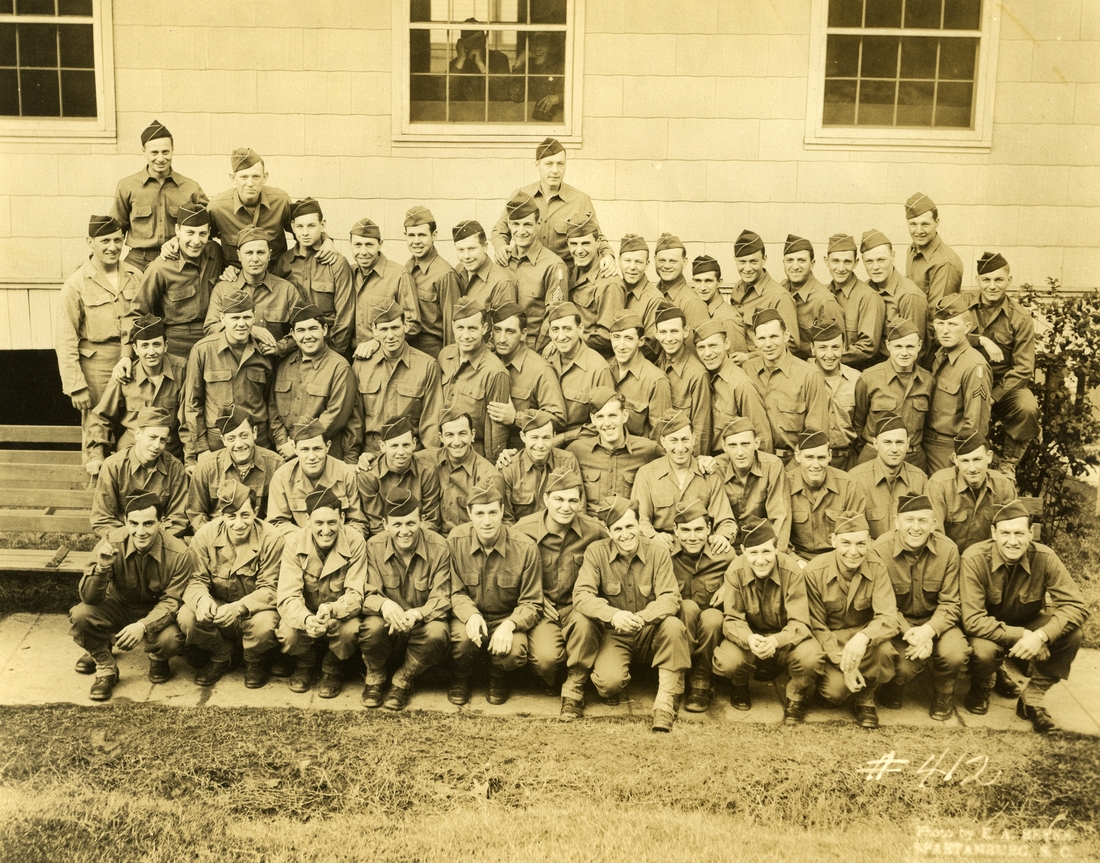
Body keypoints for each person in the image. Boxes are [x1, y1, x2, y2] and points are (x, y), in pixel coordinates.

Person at [960, 500, 1089, 732]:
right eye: (1005, 533)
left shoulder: (1045, 557)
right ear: (993, 533)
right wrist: (1023, 635)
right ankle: (981, 684)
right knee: (984, 652)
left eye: (1019, 533)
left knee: (1072, 635)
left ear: (1031, 533)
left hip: (1027, 622)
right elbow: (972, 620)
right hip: (987, 631)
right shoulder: (974, 559)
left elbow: (1076, 606)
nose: (1012, 541)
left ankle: (1033, 699)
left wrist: (1041, 636)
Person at [573, 496, 691, 732]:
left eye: (630, 526)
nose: (625, 534)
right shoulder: (595, 552)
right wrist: (614, 615)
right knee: (608, 684)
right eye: (617, 529)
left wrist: (644, 618)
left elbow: (670, 597)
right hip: (615, 634)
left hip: (650, 631)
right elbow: (581, 595)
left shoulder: (657, 551)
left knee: (674, 626)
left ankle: (665, 704)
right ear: (608, 531)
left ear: (639, 525)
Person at [70, 489, 188, 701]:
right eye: (133, 524)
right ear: (125, 521)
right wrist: (102, 568)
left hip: (155, 612)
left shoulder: (179, 552)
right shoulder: (112, 542)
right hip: (119, 606)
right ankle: (105, 667)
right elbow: (88, 598)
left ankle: (157, 657)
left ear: (161, 522)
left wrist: (143, 627)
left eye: (148, 523)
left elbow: (173, 602)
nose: (140, 531)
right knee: (81, 615)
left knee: (171, 638)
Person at [514, 467, 607, 719]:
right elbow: (511, 573)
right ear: (546, 499)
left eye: (573, 500)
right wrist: (536, 597)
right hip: (542, 610)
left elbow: (616, 552)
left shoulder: (594, 530)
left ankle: (574, 690)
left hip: (577, 607)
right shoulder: (523, 529)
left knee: (586, 623)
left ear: (580, 502)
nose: (566, 507)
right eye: (559, 499)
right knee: (546, 660)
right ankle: (554, 678)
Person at [712, 519, 824, 724]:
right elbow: (732, 620)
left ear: (777, 548)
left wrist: (776, 641)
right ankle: (739, 684)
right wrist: (749, 639)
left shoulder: (792, 571)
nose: (760, 560)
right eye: (753, 553)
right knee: (727, 661)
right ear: (744, 551)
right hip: (751, 637)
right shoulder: (734, 571)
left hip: (783, 638)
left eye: (766, 552)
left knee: (812, 657)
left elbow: (800, 623)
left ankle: (795, 695)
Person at [56, 215, 144, 466]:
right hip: (96, 365)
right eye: (105, 240)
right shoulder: (76, 283)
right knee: (97, 433)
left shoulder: (135, 275)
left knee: (133, 426)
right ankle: (95, 495)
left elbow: (143, 319)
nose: (113, 247)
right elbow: (65, 337)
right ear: (90, 242)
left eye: (118, 240)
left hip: (132, 360)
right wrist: (76, 386)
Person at [870, 493, 968, 720]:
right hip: (899, 625)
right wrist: (912, 634)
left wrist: (928, 631)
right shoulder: (880, 550)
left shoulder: (948, 550)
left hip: (937, 622)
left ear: (933, 524)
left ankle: (944, 692)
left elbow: (951, 603)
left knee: (955, 652)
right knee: (904, 666)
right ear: (896, 522)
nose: (916, 527)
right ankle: (897, 683)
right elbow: (884, 605)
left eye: (923, 520)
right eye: (909, 520)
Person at [447, 479, 543, 706]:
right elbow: (454, 590)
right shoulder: (455, 541)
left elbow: (531, 602)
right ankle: (461, 677)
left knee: (515, 651)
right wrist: (470, 615)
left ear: (502, 511)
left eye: (492, 512)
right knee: (460, 640)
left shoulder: (526, 547)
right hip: (469, 615)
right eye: (480, 513)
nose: (487, 521)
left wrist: (510, 625)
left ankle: (497, 676)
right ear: (469, 513)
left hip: (506, 617)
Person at [179, 480, 283, 688]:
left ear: (255, 511)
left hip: (254, 610)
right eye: (231, 516)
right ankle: (221, 654)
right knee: (186, 617)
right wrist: (201, 601)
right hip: (218, 606)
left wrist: (240, 607)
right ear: (221, 515)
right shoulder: (205, 535)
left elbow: (272, 588)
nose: (238, 523)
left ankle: (254, 660)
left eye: (245, 515)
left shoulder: (272, 538)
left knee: (266, 625)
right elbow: (195, 579)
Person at [803, 511, 901, 728]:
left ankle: (866, 698)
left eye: (860, 544)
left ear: (869, 543)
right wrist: (843, 662)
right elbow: (816, 626)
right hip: (831, 644)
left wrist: (863, 637)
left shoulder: (877, 568)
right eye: (846, 543)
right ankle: (832, 687)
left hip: (864, 645)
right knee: (834, 693)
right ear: (833, 540)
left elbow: (888, 617)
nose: (853, 551)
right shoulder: (814, 571)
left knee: (885, 650)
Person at [358, 488, 451, 710]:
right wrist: (384, 604)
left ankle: (403, 679)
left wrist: (418, 613)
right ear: (385, 524)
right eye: (397, 525)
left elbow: (443, 597)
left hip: (420, 625)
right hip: (387, 626)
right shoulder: (373, 546)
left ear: (422, 520)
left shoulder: (439, 546)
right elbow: (365, 593)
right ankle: (375, 675)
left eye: (410, 523)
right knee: (370, 627)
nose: (404, 531)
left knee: (438, 632)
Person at [276, 485, 367, 698]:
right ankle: (305, 661)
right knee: (287, 633)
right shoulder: (294, 542)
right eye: (318, 523)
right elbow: (288, 596)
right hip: (306, 616)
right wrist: (306, 619)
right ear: (308, 520)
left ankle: (332, 665)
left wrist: (332, 609)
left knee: (350, 631)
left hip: (338, 615)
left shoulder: (355, 542)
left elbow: (356, 594)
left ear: (342, 518)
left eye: (332, 522)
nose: (325, 530)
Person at [121, 198, 225, 362]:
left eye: (202, 234)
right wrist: (127, 355)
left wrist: (233, 269)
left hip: (214, 339)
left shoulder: (216, 253)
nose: (196, 241)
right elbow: (137, 312)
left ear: (209, 232)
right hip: (176, 346)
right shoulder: (160, 268)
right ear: (177, 230)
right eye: (189, 233)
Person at [966, 252, 1041, 479]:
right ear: (977, 280)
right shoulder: (963, 305)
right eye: (986, 279)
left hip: (1004, 386)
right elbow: (944, 333)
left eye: (998, 280)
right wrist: (980, 340)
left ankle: (1008, 467)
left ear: (1009, 281)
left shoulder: (1020, 317)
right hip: (968, 382)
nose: (992, 286)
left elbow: (1024, 368)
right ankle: (968, 465)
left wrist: (994, 395)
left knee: (1027, 408)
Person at [492, 138, 614, 274]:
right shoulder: (521, 196)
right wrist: (501, 246)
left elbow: (597, 237)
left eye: (560, 164)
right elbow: (500, 230)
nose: (555, 170)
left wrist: (608, 255)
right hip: (526, 276)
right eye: (549, 164)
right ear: (537, 165)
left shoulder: (580, 200)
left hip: (564, 277)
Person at [204, 147, 339, 267]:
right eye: (244, 177)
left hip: (277, 276)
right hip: (236, 278)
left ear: (265, 177)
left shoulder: (280, 200)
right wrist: (223, 268)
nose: (250, 183)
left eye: (256, 176)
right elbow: (204, 241)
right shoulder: (217, 207)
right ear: (233, 178)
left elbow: (301, 228)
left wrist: (326, 240)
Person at [342, 300, 442, 460]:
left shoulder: (427, 366)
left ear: (405, 326)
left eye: (395, 328)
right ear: (374, 330)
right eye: (383, 329)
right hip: (370, 457)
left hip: (411, 458)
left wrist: (427, 464)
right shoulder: (362, 365)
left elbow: (431, 424)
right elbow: (355, 420)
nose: (390, 336)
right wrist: (352, 461)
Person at [86, 313, 188, 469]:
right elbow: (101, 418)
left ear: (166, 345)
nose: (151, 352)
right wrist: (96, 455)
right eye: (145, 346)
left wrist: (191, 460)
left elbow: (190, 419)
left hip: (168, 447)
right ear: (135, 348)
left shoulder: (182, 370)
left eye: (156, 344)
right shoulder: (124, 374)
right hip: (131, 448)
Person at [183, 291, 275, 462]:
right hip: (217, 442)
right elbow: (192, 404)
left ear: (254, 318)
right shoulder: (203, 350)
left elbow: (270, 400)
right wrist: (201, 448)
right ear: (222, 318)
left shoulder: (264, 352)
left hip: (258, 440)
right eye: (235, 318)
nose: (241, 324)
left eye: (246, 317)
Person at [631, 410, 737, 550]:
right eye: (673, 440)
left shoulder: (709, 473)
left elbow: (726, 520)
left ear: (693, 438)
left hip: (701, 548)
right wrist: (653, 536)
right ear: (663, 441)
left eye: (685, 439)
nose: (680, 448)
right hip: (664, 549)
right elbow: (639, 519)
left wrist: (723, 536)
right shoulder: (647, 474)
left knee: (729, 556)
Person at [110, 119, 207, 272]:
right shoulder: (127, 186)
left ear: (173, 150)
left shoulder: (190, 188)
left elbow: (209, 224)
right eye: (154, 152)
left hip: (177, 257)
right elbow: (114, 229)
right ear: (144, 152)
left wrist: (177, 239)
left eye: (165, 152)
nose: (161, 159)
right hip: (138, 262)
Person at [667, 499, 736, 712]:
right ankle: (677, 676)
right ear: (675, 530)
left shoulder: (725, 554)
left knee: (714, 617)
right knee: (686, 607)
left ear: (709, 529)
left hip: (711, 631)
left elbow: (746, 569)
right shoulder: (664, 553)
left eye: (699, 529)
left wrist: (728, 586)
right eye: (685, 530)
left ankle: (701, 679)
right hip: (678, 629)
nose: (693, 536)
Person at [268, 304, 356, 461]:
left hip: (321, 457)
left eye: (313, 329)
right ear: (293, 335)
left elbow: (335, 416)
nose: (307, 336)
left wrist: (297, 444)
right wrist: (283, 443)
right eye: (301, 330)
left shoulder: (339, 368)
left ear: (324, 330)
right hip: (286, 455)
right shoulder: (284, 365)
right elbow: (273, 410)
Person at [203, 226, 306, 358]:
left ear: (269, 254)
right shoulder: (223, 288)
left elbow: (303, 328)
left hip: (273, 365)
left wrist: (279, 348)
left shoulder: (286, 290)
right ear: (239, 255)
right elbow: (210, 327)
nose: (255, 259)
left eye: (261, 252)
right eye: (249, 253)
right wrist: (249, 330)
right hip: (233, 362)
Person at [742, 308, 829, 462]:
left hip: (792, 464)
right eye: (762, 338)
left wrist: (792, 471)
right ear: (755, 340)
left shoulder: (809, 376)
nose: (768, 344)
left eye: (774, 336)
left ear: (786, 335)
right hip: (754, 462)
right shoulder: (747, 370)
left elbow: (815, 436)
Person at [90, 407, 189, 539]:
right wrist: (132, 539)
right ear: (137, 434)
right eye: (152, 437)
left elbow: (178, 517)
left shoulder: (175, 468)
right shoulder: (113, 466)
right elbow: (102, 518)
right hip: (122, 539)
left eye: (163, 440)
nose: (156, 445)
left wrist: (153, 539)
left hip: (161, 539)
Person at [274, 198, 355, 355]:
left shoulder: (337, 263)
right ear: (292, 227)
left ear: (322, 225)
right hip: (292, 347)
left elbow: (345, 317)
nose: (305, 232)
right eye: (300, 226)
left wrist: (333, 355)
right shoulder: (284, 262)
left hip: (329, 346)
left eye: (311, 225)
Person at [851, 319, 933, 471]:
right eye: (898, 346)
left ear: (919, 346)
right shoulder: (869, 378)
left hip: (913, 459)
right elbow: (857, 423)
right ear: (888, 345)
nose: (904, 353)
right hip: (874, 456)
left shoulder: (928, 381)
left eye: (910, 346)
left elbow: (929, 425)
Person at [185, 408, 284, 533]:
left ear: (254, 432)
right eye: (231, 438)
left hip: (261, 539)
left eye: (244, 436)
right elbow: (196, 513)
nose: (239, 444)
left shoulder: (276, 465)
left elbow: (278, 516)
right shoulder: (206, 467)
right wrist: (215, 537)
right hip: (217, 538)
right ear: (223, 440)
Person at [925, 293, 992, 474]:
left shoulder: (974, 366)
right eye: (940, 323)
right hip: (925, 445)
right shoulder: (940, 354)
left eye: (953, 324)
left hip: (949, 451)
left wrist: (962, 459)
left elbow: (975, 426)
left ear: (968, 327)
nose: (945, 330)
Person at [567, 388, 663, 513]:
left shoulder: (648, 449)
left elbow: (675, 464)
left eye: (612, 415)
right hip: (591, 527)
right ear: (593, 419)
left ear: (624, 415)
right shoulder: (577, 450)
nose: (607, 423)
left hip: (628, 529)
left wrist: (697, 460)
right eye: (600, 416)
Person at [267, 419, 367, 537]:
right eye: (305, 449)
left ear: (327, 446)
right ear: (295, 448)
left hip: (339, 545)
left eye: (317, 449)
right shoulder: (282, 477)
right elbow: (277, 523)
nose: (311, 457)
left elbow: (358, 523)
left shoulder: (346, 474)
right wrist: (310, 540)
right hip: (299, 548)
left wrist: (330, 540)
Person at [488, 301, 567, 449]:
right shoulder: (489, 362)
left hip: (522, 452)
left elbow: (558, 419)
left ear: (523, 334)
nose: (502, 338)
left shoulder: (540, 369)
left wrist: (516, 418)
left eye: (510, 331)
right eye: (498, 330)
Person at [499, 191, 569, 351]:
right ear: (509, 224)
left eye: (527, 224)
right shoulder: (504, 261)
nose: (521, 231)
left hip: (533, 350)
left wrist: (535, 355)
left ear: (538, 224)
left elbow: (554, 316)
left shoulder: (554, 265)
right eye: (516, 224)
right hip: (502, 349)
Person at [710, 417, 792, 551]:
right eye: (732, 445)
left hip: (762, 546)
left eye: (745, 444)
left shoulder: (772, 466)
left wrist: (774, 553)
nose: (740, 452)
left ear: (756, 443)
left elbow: (780, 517)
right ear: (724, 446)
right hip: (728, 547)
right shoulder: (715, 468)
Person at [927, 432, 1017, 553]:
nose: (972, 468)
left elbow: (1014, 530)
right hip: (951, 560)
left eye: (977, 459)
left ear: (989, 457)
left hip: (987, 561)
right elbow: (935, 536)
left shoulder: (1003, 486)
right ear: (955, 460)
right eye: (965, 461)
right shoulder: (939, 485)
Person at [786, 431, 867, 562]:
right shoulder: (785, 484)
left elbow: (854, 534)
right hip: (798, 559)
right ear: (798, 455)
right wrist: (796, 561)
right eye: (809, 457)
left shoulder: (848, 485)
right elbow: (779, 535)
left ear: (829, 456)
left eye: (821, 458)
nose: (816, 465)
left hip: (837, 559)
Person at [423, 407, 505, 535]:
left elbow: (491, 527)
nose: (456, 442)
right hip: (435, 542)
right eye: (449, 435)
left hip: (468, 542)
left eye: (462, 433)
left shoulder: (488, 477)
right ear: (441, 438)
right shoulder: (428, 460)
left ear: (472, 435)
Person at [693, 320, 771, 454]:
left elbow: (762, 439)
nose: (707, 353)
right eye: (701, 347)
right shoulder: (702, 377)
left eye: (713, 345)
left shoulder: (741, 385)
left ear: (726, 344)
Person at [348, 217, 421, 358]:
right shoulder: (347, 273)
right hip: (350, 357)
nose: (363, 251)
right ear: (350, 244)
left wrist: (378, 342)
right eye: (357, 245)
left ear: (380, 244)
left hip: (384, 358)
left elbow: (412, 323)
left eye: (369, 244)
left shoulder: (398, 275)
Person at [544, 301, 615, 445]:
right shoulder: (546, 360)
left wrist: (563, 438)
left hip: (580, 445)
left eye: (567, 329)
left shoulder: (598, 368)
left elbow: (606, 422)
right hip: (544, 442)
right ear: (550, 331)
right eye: (555, 329)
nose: (561, 336)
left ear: (580, 329)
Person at [357, 417, 442, 536]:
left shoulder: (426, 472)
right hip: (386, 539)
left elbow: (431, 520)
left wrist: (411, 542)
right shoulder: (369, 476)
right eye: (394, 446)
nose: (401, 452)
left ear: (414, 444)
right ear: (382, 446)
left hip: (420, 537)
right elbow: (377, 525)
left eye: (406, 445)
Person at [847, 416, 928, 539]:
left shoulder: (919, 479)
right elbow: (853, 532)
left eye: (899, 442)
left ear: (908, 444)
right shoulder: (855, 479)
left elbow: (924, 525)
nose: (894, 449)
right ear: (875, 444)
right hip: (871, 554)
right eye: (887, 442)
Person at [500, 410, 585, 523]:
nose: (540, 445)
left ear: (554, 436)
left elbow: (579, 509)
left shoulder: (567, 461)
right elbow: (506, 519)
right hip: (522, 536)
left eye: (546, 438)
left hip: (561, 535)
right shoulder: (509, 468)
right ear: (523, 436)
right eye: (534, 437)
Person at [727, 229, 799, 359]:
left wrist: (750, 357)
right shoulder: (738, 288)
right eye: (742, 262)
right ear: (735, 260)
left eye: (753, 262)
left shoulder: (779, 297)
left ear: (764, 259)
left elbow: (791, 345)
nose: (747, 268)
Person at [561, 212, 624, 356]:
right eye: (574, 244)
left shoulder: (609, 283)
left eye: (585, 243)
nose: (579, 250)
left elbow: (608, 336)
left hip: (594, 360)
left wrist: (568, 339)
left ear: (597, 243)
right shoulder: (573, 272)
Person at [859, 229, 927, 360]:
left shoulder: (910, 296)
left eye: (881, 260)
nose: (875, 267)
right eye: (869, 261)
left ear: (893, 256)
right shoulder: (867, 289)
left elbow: (916, 352)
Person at [446, 219, 518, 343]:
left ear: (485, 246)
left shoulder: (501, 282)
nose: (466, 256)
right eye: (460, 250)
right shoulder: (458, 271)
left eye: (472, 248)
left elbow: (503, 334)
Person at [403, 205, 459, 359]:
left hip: (434, 353)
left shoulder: (444, 274)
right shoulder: (407, 267)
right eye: (411, 235)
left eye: (422, 235)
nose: (416, 241)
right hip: (408, 349)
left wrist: (449, 363)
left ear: (434, 235)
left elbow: (452, 327)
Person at [608, 310, 673, 441]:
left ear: (641, 341)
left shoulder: (656, 380)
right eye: (616, 337)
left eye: (628, 338)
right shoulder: (604, 369)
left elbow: (659, 437)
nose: (621, 346)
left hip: (640, 457)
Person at [655, 306, 712, 457]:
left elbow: (701, 429)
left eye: (674, 331)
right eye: (663, 332)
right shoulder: (658, 362)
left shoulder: (697, 374)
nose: (668, 338)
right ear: (656, 334)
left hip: (684, 457)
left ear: (685, 331)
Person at [807, 317, 861, 469]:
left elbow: (861, 424)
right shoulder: (802, 377)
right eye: (823, 348)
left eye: (835, 347)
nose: (829, 355)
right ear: (812, 348)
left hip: (847, 460)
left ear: (844, 347)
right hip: (813, 461)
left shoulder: (856, 379)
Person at [825, 233, 884, 370]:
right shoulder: (823, 294)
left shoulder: (868, 297)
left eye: (847, 262)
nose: (840, 268)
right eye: (835, 261)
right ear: (826, 261)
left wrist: (828, 358)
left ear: (856, 263)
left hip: (857, 375)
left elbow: (867, 347)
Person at [780, 234, 843, 360]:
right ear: (784, 263)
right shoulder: (781, 290)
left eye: (801, 260)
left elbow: (836, 349)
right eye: (790, 260)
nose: (795, 266)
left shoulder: (825, 301)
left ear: (812, 264)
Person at [904, 192, 963, 309]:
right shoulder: (912, 249)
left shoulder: (945, 262)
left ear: (937, 222)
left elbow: (937, 316)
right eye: (913, 224)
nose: (919, 231)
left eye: (925, 224)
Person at [617, 234, 666, 359]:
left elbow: (650, 349)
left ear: (647, 264)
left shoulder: (654, 300)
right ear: (619, 261)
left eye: (638, 262)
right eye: (627, 261)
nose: (632, 267)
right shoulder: (614, 290)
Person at [651, 233, 710, 333]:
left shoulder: (692, 303)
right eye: (662, 260)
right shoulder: (653, 293)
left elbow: (693, 347)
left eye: (673, 261)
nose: (667, 266)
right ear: (655, 260)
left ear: (685, 262)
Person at [691, 255, 746, 355]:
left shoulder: (728, 319)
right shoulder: (699, 309)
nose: (702, 287)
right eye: (698, 281)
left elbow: (736, 361)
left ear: (719, 283)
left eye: (708, 281)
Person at [448, 20, 510, 102]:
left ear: (484, 39)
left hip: (493, 112)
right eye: (472, 40)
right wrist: (461, 59)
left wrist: (481, 65)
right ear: (463, 43)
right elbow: (444, 95)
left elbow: (503, 95)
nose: (478, 43)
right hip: (463, 113)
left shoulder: (499, 59)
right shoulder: (456, 64)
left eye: (480, 39)